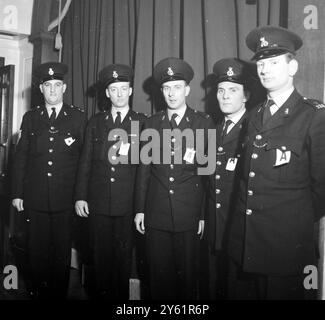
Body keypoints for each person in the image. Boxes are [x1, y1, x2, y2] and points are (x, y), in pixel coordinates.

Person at [227, 26, 325, 300]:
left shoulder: (313, 116)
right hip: (245, 244)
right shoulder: (254, 115)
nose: (265, 69)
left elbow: (321, 189)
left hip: (285, 247)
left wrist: (291, 222)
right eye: (261, 63)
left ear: (292, 66)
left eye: (273, 62)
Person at [134, 57, 214, 299]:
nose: (171, 93)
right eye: (167, 88)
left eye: (177, 87)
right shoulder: (152, 123)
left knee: (187, 279)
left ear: (187, 90)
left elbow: (207, 174)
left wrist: (201, 214)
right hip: (156, 212)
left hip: (188, 214)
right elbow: (144, 170)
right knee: (158, 278)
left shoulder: (202, 123)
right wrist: (140, 210)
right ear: (161, 91)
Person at [11, 62, 86, 299]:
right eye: (47, 85)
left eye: (57, 85)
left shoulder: (77, 118)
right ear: (41, 89)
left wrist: (80, 197)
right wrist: (17, 193)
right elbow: (20, 158)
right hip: (35, 199)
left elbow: (84, 162)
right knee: (36, 253)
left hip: (65, 200)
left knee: (61, 255)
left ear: (64, 87)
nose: (52, 90)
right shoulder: (31, 118)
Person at [74, 64, 147, 299]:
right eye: (113, 89)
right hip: (99, 204)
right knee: (100, 259)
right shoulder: (95, 122)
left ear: (131, 91)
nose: (119, 94)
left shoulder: (142, 123)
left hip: (127, 206)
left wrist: (140, 208)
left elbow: (144, 170)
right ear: (107, 93)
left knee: (123, 261)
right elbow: (85, 163)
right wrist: (80, 197)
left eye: (123, 89)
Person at [206, 58, 253, 299]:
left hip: (240, 232)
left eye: (233, 90)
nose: (225, 96)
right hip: (215, 229)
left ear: (245, 96)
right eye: (221, 91)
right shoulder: (213, 130)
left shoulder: (254, 127)